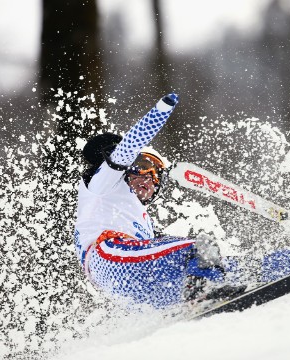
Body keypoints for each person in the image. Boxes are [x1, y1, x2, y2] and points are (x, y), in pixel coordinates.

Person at [73, 93, 245, 309]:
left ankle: (280, 263)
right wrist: (161, 111)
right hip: (110, 256)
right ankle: (203, 295)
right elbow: (129, 146)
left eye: (156, 174)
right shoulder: (104, 182)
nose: (149, 177)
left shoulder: (135, 215)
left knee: (218, 263)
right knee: (201, 248)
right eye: (142, 165)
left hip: (124, 282)